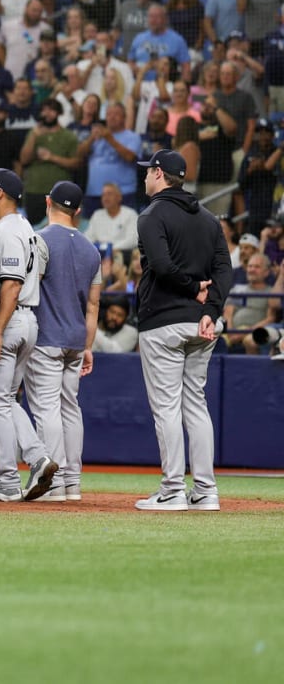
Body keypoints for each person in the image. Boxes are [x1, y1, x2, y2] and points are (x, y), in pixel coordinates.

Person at [134, 150, 232, 511]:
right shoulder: (208, 218)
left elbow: (160, 265)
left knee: (167, 408)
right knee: (196, 405)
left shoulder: (151, 215)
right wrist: (210, 309)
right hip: (203, 325)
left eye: (148, 172)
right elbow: (225, 270)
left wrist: (193, 289)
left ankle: (173, 488)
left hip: (163, 322)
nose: (144, 177)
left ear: (159, 174)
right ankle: (206, 490)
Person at [0, 167, 61, 503]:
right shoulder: (27, 228)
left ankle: (10, 477)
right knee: (7, 400)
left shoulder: (7, 232)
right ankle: (36, 458)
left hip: (11, 320)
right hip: (28, 319)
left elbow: (11, 284)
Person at [29, 182, 102, 503]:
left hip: (47, 337)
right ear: (78, 211)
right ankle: (72, 482)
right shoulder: (91, 248)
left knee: (47, 409)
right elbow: (94, 305)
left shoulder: (39, 240)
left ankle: (54, 485)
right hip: (75, 339)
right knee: (70, 408)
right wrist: (87, 345)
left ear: (48, 202)